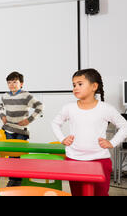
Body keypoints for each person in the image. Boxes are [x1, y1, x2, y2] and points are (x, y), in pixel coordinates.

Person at [51, 68, 127, 196]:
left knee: (100, 194)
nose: (75, 88)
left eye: (80, 84)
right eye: (74, 85)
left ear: (94, 86)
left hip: (100, 161)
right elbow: (55, 123)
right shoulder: (69, 108)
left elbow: (124, 125)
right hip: (74, 160)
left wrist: (112, 143)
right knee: (78, 194)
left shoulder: (105, 108)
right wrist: (62, 139)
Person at [0, 71, 44, 186]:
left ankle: (17, 179)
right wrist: (2, 116)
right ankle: (13, 179)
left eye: (15, 82)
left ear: (21, 83)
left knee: (19, 155)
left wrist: (29, 120)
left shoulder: (26, 95)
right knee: (12, 155)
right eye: (9, 82)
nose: (12, 85)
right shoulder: (5, 96)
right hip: (8, 129)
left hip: (21, 131)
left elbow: (40, 106)